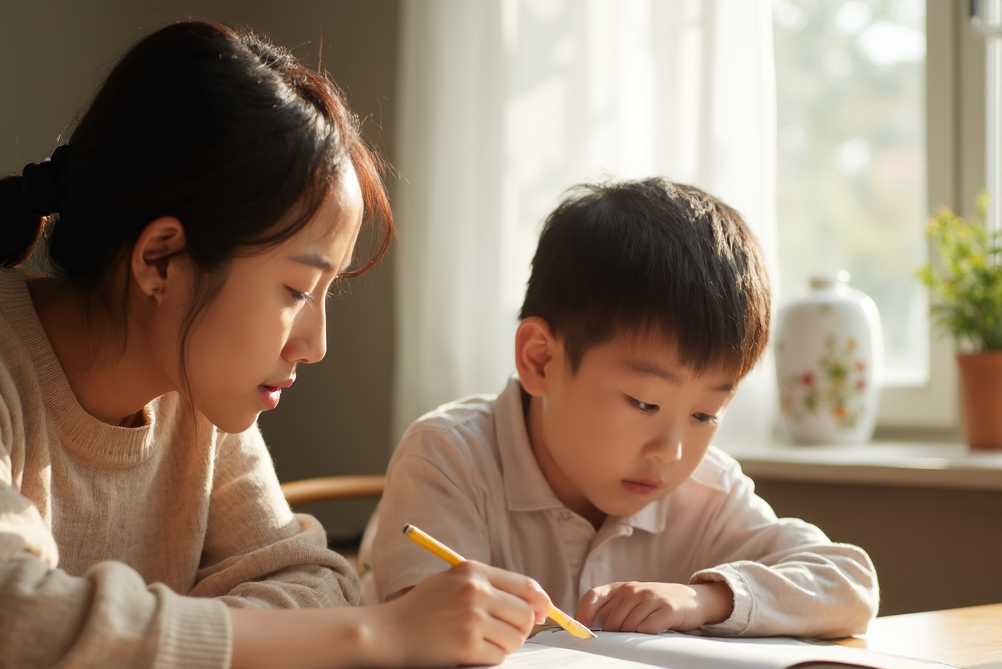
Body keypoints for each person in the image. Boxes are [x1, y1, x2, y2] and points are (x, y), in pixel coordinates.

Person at [0, 21, 553, 669]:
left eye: (328, 294)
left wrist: (126, 647)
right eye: (296, 289)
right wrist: (377, 634)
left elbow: (313, 582)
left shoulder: (193, 386)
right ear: (161, 258)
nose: (316, 343)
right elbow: (8, 634)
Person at [364, 178, 879, 639]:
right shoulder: (448, 458)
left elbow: (849, 583)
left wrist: (703, 599)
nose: (671, 450)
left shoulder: (707, 492)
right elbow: (422, 635)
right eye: (644, 402)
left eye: (705, 415)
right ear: (540, 359)